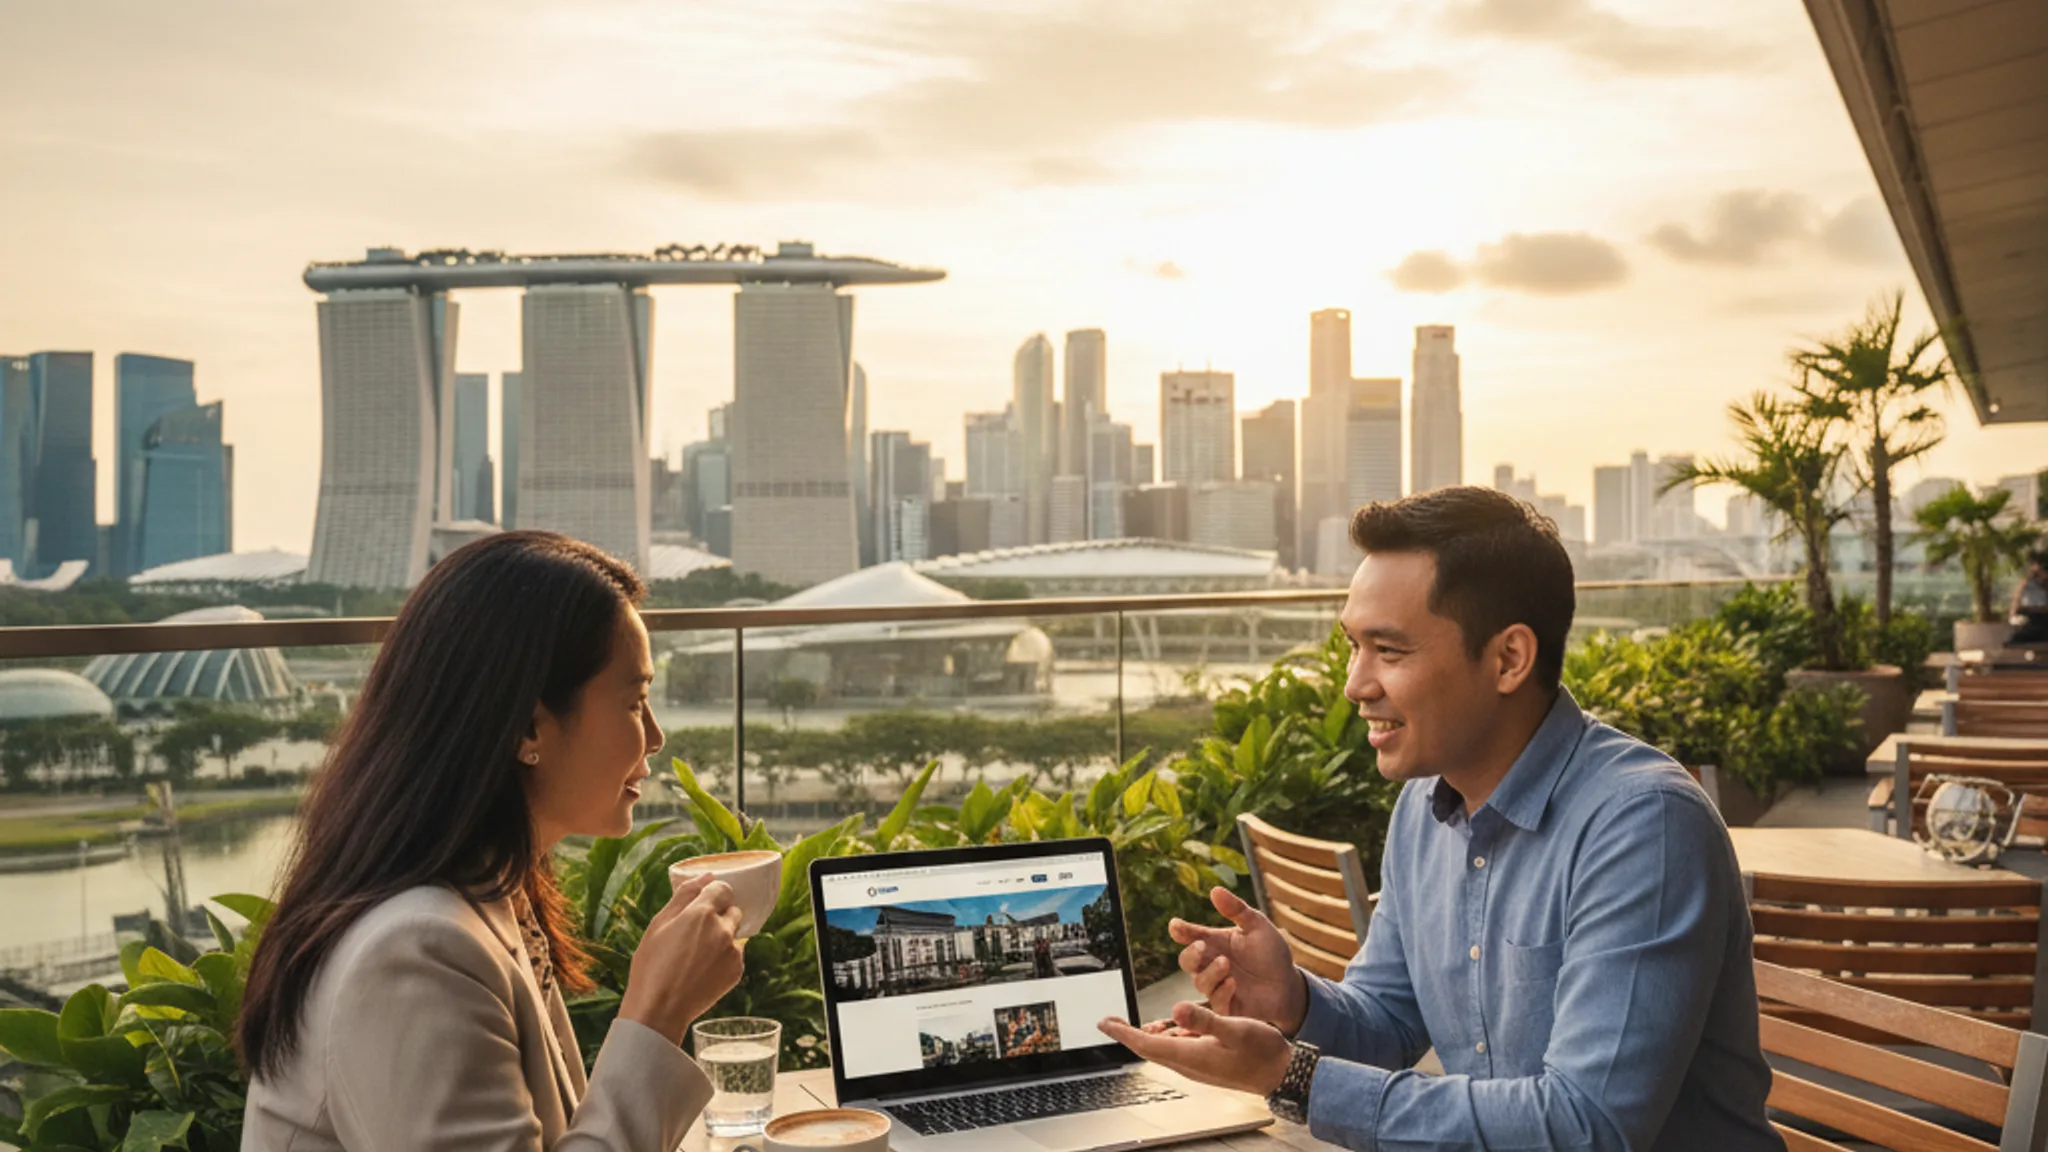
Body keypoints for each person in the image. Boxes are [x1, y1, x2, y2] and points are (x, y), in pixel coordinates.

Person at [1100, 487, 1780, 1151]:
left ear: (1508, 658)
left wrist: (1292, 1076)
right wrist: (1294, 1003)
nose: (1355, 684)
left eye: (1388, 651)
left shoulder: (1642, 826)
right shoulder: (1424, 811)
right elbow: (1390, 1021)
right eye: (1353, 647)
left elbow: (1586, 1126)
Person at [241, 532, 746, 1151]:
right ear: (529, 726)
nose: (656, 736)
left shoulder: (490, 895)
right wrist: (656, 1015)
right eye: (636, 701)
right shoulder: (415, 953)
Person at [2009, 549, 2048, 645]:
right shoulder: (2025, 581)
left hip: (2043, 615)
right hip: (2030, 614)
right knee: (2017, 638)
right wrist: (2013, 614)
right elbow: (2016, 599)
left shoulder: (2044, 581)